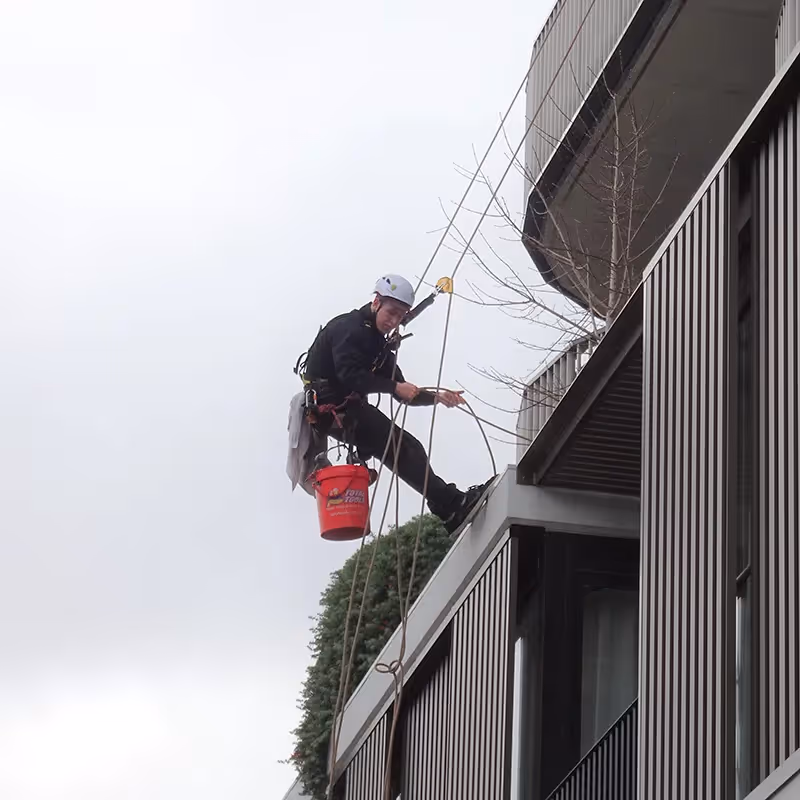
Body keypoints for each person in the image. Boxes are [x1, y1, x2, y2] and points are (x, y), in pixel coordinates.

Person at [298, 274, 494, 534]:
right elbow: (350, 375)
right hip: (329, 409)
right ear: (376, 302)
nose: (393, 321)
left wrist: (437, 398)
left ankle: (448, 507)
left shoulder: (378, 346)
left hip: (345, 410)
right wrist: (394, 387)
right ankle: (451, 504)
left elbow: (403, 393)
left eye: (400, 317)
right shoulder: (350, 328)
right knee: (402, 447)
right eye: (391, 312)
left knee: (406, 448)